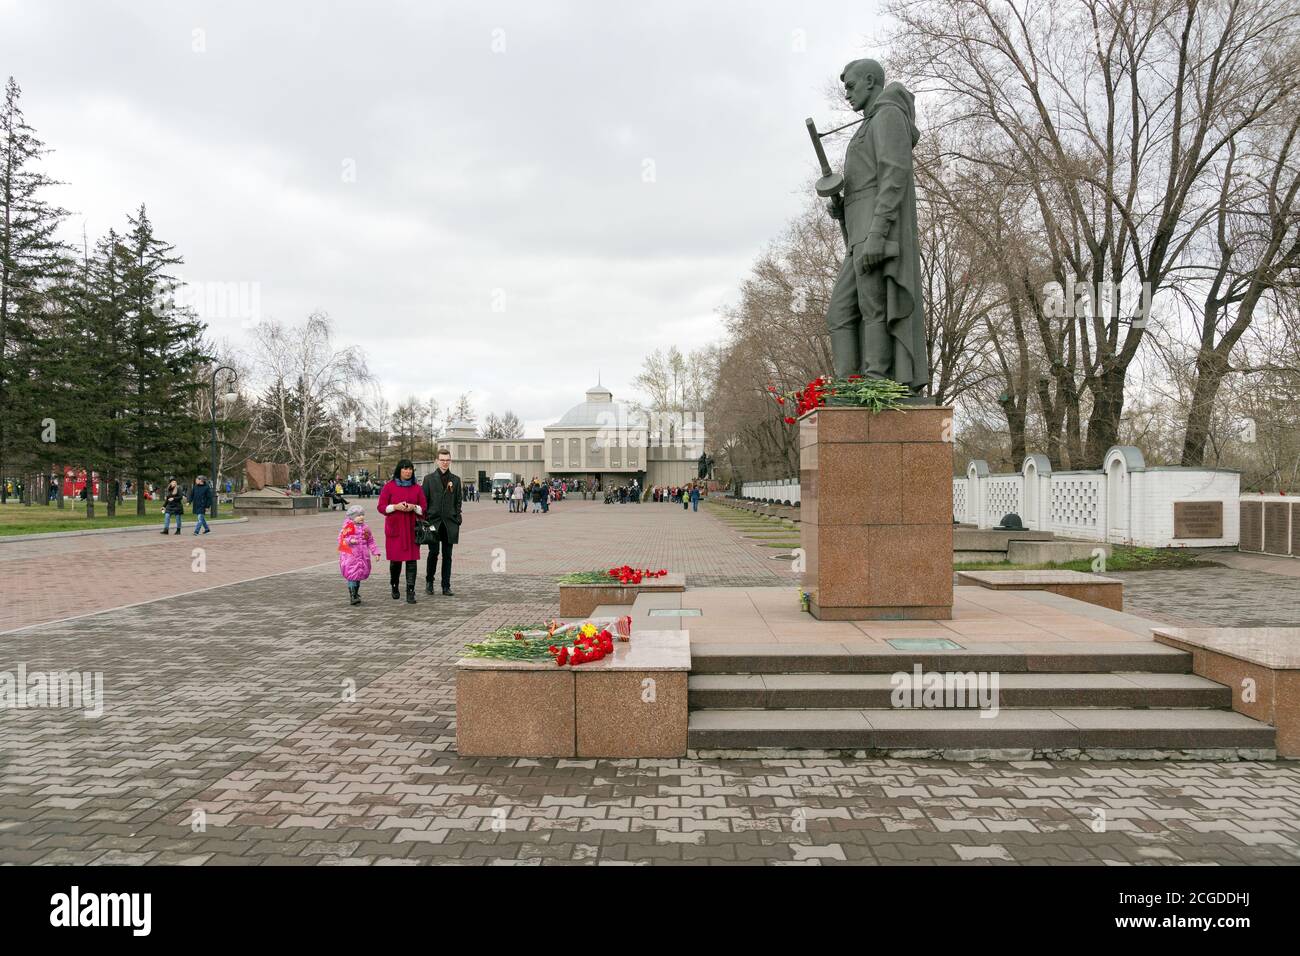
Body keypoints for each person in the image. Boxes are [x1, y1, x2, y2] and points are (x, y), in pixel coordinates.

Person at [377, 459, 427, 604]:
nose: (408, 471)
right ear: (399, 470)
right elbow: (381, 507)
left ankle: (411, 591)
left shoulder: (417, 488)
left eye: (410, 469)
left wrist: (414, 507)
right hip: (396, 530)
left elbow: (423, 508)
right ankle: (394, 585)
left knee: (412, 561)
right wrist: (395, 507)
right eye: (405, 469)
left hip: (412, 530)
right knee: (396, 561)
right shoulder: (389, 487)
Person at [420, 447, 462, 596]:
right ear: (437, 461)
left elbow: (458, 501)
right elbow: (424, 501)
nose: (445, 463)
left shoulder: (456, 480)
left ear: (450, 461)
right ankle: (429, 582)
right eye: (442, 460)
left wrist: (457, 518)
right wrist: (425, 520)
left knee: (447, 555)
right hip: (433, 522)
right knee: (433, 552)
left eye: (447, 460)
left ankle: (446, 585)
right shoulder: (429, 479)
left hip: (450, 523)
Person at [338, 504, 380, 605]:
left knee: (359, 574)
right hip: (350, 556)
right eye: (358, 515)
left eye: (362, 515)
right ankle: (353, 595)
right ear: (352, 517)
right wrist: (349, 540)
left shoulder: (366, 528)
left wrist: (376, 552)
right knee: (352, 574)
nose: (361, 517)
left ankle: (356, 593)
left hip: (363, 556)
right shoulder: (348, 527)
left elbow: (371, 541)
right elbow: (341, 539)